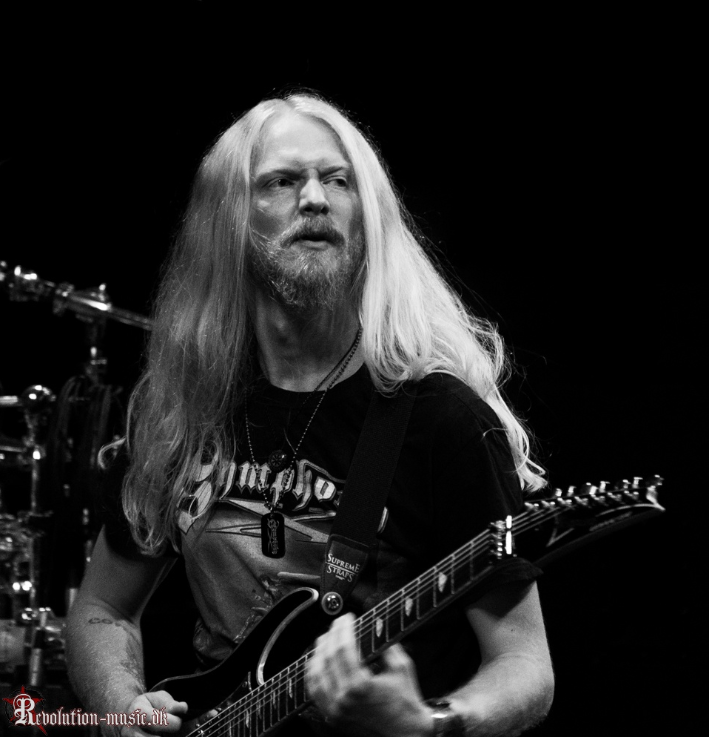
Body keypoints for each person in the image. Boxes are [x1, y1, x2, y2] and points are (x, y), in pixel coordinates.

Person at [65, 91, 555, 737]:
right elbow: (100, 608)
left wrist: (429, 722)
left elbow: (525, 665)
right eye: (283, 181)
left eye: (338, 180)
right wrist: (119, 703)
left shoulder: (437, 419)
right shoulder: (185, 408)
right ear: (229, 221)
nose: (316, 199)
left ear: (366, 217)